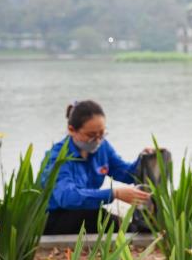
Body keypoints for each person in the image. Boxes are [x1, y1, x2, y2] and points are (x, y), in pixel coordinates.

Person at [41, 100, 153, 234]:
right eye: (91, 135)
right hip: (56, 218)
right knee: (100, 217)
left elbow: (125, 174)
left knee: (132, 226)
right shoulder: (58, 157)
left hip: (87, 212)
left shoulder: (103, 147)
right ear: (71, 130)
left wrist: (146, 159)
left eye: (102, 134)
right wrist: (114, 194)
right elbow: (67, 197)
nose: (98, 140)